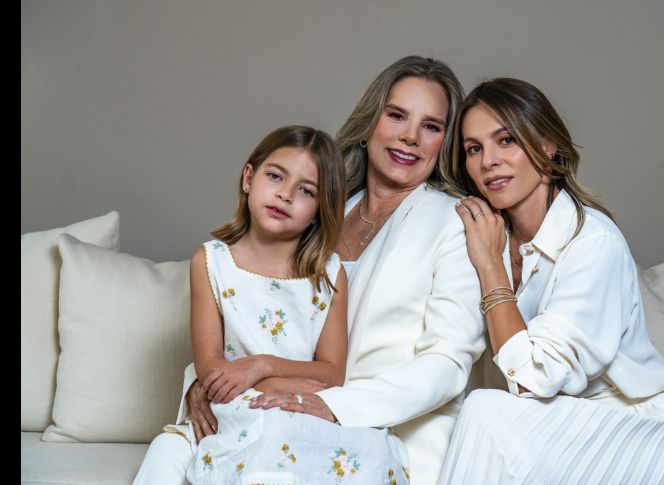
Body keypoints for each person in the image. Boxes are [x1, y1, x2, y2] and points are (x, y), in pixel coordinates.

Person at [135, 56, 485, 485]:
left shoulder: (455, 222)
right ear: (371, 120)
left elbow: (448, 364)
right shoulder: (316, 210)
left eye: (431, 126)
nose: (409, 137)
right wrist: (206, 387)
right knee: (169, 451)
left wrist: (337, 405)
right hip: (274, 410)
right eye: (396, 116)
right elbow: (255, 316)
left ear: (445, 142)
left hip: (383, 430)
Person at [436, 77, 664, 484]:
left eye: (506, 140)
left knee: (484, 413)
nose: (488, 161)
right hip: (554, 429)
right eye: (474, 148)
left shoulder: (594, 244)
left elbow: (533, 379)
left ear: (547, 144)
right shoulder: (486, 233)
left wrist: (491, 268)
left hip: (638, 436)